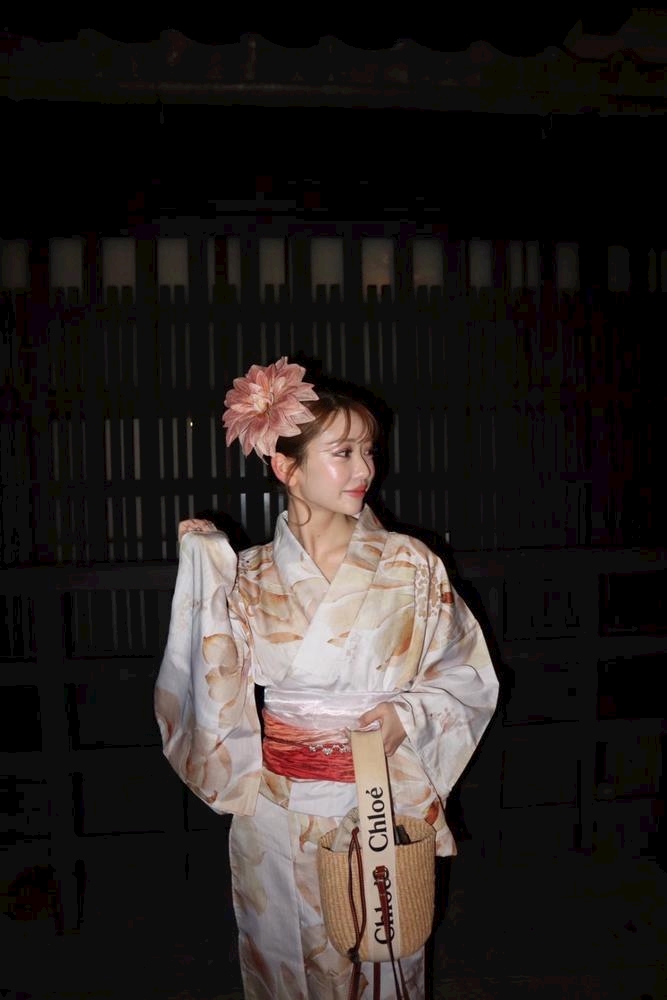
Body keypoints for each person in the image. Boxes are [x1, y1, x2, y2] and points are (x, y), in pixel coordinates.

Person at [154, 357, 499, 1000]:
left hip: (378, 795)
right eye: (342, 453)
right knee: (288, 960)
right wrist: (204, 575)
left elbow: (463, 671)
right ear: (286, 468)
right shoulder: (250, 575)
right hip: (279, 808)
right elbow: (211, 684)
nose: (364, 469)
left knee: (382, 954)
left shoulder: (411, 564)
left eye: (368, 451)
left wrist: (410, 715)